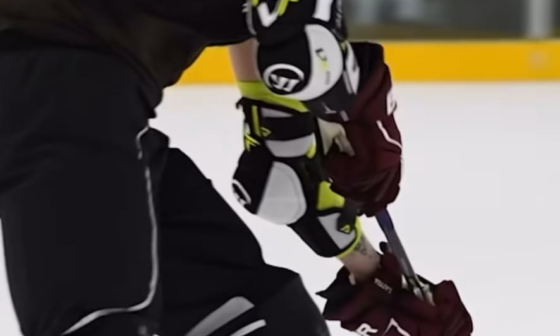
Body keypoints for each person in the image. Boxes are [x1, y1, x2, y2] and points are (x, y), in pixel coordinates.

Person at [0, 1, 473, 336]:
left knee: (268, 323)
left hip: (79, 95)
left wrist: (369, 267)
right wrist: (338, 94)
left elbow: (284, 150)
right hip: (47, 78)